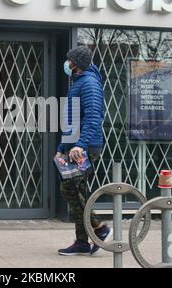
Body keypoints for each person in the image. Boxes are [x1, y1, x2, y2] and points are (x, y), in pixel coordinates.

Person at [56, 46, 112, 256]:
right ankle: (82, 241)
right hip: (75, 145)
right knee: (76, 190)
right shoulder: (79, 81)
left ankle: (99, 227)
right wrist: (63, 148)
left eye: (69, 60)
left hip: (85, 147)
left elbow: (93, 117)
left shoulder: (88, 83)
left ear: (76, 64)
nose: (66, 63)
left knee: (70, 189)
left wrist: (80, 145)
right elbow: (73, 119)